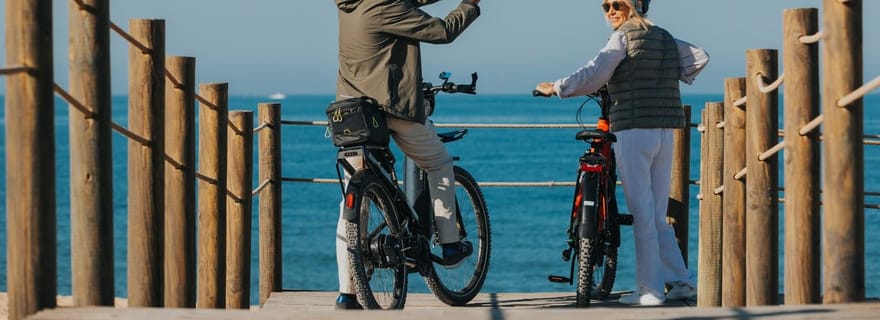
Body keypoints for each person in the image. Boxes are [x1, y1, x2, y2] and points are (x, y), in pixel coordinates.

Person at [534, 0, 709, 306]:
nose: (611, 11)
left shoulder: (623, 37)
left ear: (634, 6)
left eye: (617, 4)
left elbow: (595, 72)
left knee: (642, 213)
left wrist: (558, 87)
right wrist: (667, 76)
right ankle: (682, 281)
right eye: (606, 6)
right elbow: (699, 57)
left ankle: (650, 291)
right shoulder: (665, 37)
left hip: (633, 129)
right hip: (665, 131)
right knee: (655, 214)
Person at [333, 0, 481, 310]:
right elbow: (442, 31)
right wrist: (468, 5)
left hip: (350, 113)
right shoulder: (386, 8)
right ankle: (451, 245)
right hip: (388, 108)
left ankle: (347, 293)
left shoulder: (349, 5)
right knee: (438, 163)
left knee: (353, 199)